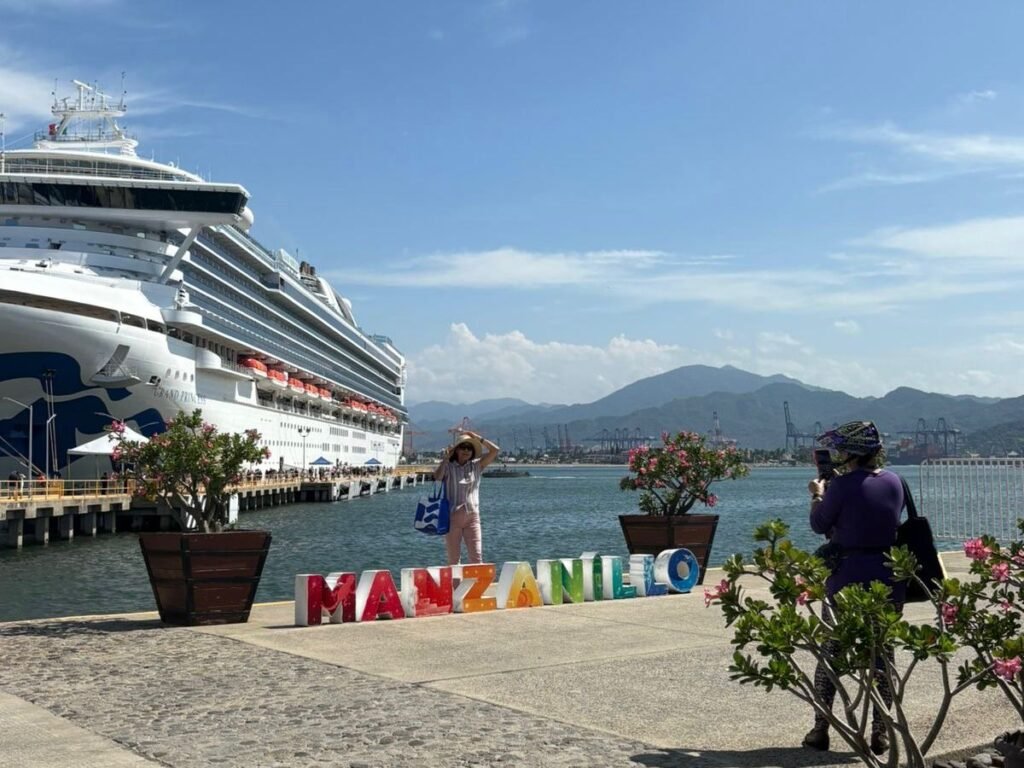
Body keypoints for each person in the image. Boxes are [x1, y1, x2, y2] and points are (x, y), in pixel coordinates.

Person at [803, 420, 904, 755]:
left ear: (852, 452)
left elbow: (819, 524)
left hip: (846, 577)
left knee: (830, 653)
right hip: (887, 577)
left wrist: (818, 495)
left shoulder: (841, 486)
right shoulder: (895, 481)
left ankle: (820, 729)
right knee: (882, 655)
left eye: (842, 449)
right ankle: (881, 732)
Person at [433, 430, 500, 565]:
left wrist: (478, 438)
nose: (466, 450)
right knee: (453, 559)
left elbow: (495, 450)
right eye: (463, 447)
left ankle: (476, 579)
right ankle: (456, 580)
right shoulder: (449, 467)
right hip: (452, 517)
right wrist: (446, 459)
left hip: (472, 517)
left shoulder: (477, 465)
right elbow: (437, 477)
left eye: (469, 448)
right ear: (456, 450)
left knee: (477, 558)